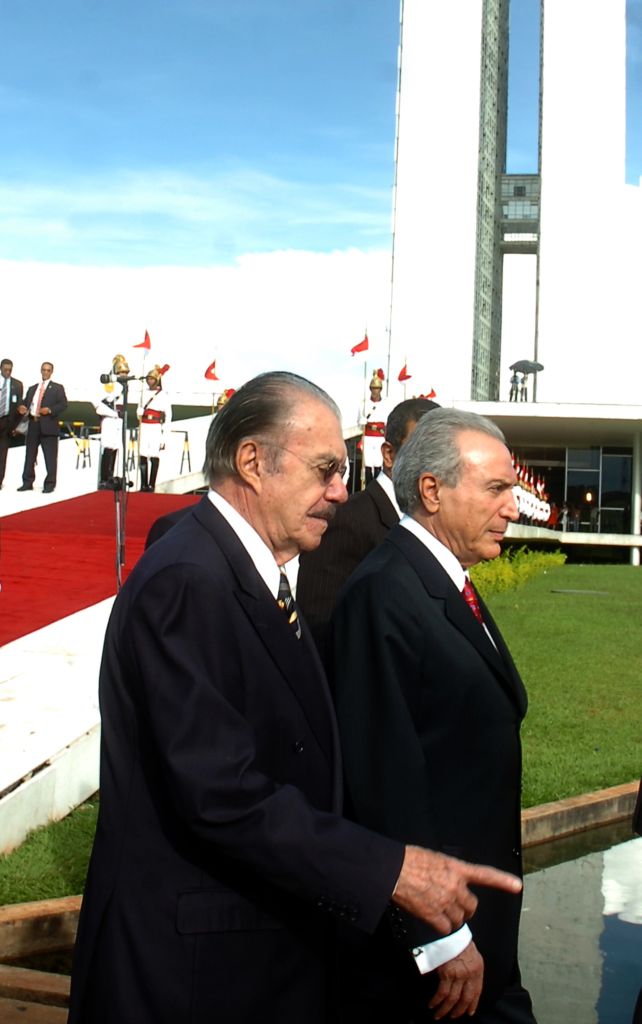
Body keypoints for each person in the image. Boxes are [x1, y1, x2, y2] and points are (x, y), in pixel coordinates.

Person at [67, 373, 522, 1024]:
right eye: (324, 470)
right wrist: (391, 869)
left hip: (254, 960)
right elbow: (221, 794)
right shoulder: (189, 580)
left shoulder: (248, 572)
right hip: (192, 979)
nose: (342, 491)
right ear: (253, 462)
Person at [331, 408, 536, 1023]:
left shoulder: (443, 583)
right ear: (432, 491)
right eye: (496, 489)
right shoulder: (386, 592)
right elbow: (384, 784)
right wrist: (441, 939)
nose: (512, 506)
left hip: (479, 928)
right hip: (437, 954)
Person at [297, 397, 439, 664]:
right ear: (388, 454)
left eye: (442, 454)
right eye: (422, 451)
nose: (432, 465)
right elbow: (319, 630)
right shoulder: (348, 519)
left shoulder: (429, 524)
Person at [16, 361, 67, 493]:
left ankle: (49, 484)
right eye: (43, 370)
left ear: (51, 372)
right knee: (30, 455)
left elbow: (63, 405)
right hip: (33, 423)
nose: (45, 372)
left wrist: (50, 410)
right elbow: (26, 402)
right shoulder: (33, 388)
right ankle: (27, 482)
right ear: (41, 370)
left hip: (48, 425)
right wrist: (22, 406)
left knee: (50, 456)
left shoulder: (57, 388)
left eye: (48, 370)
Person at [95, 354, 129, 488]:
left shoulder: (124, 385)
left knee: (115, 446)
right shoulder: (110, 384)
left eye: (125, 372)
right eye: (121, 372)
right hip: (110, 417)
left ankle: (111, 475)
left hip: (118, 419)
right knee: (108, 446)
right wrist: (111, 413)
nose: (124, 375)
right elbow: (100, 401)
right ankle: (104, 478)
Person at [137, 365, 172, 491]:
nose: (149, 381)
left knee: (153, 454)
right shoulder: (143, 393)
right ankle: (143, 484)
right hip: (144, 425)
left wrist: (165, 436)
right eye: (148, 379)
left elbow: (168, 416)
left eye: (152, 379)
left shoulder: (163, 395)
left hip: (156, 426)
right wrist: (139, 412)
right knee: (142, 454)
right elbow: (139, 409)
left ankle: (151, 484)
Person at [359, 368, 392, 482]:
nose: (375, 391)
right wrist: (363, 422)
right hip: (368, 436)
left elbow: (388, 423)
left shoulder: (386, 404)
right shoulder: (364, 403)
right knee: (368, 464)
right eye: (373, 388)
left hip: (379, 437)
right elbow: (359, 423)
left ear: (381, 389)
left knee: (378, 463)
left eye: (377, 388)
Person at [0, 357, 23, 488]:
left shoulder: (17, 385)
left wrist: (16, 425)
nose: (8, 372)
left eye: (10, 370)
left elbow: (18, 404)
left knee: (3, 453)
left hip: (7, 421)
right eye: (5, 370)